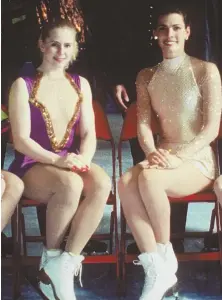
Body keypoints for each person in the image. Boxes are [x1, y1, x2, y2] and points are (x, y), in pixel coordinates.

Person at [118, 5, 222, 300]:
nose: (169, 34)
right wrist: (151, 152)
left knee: (150, 181)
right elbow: (143, 125)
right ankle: (155, 266)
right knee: (125, 181)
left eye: (176, 28)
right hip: (161, 156)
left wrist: (179, 156)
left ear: (187, 32)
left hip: (196, 159)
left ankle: (165, 260)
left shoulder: (205, 70)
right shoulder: (146, 75)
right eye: (163, 28)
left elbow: (211, 129)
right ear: (155, 34)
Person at [8, 19, 111, 300]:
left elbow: (89, 132)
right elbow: (22, 141)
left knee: (101, 182)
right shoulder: (23, 85)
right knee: (70, 185)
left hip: (67, 161)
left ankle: (63, 265)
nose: (60, 51)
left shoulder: (81, 84)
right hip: (32, 164)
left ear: (75, 48)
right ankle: (50, 258)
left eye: (67, 45)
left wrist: (84, 159)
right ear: (42, 45)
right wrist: (59, 161)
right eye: (54, 43)